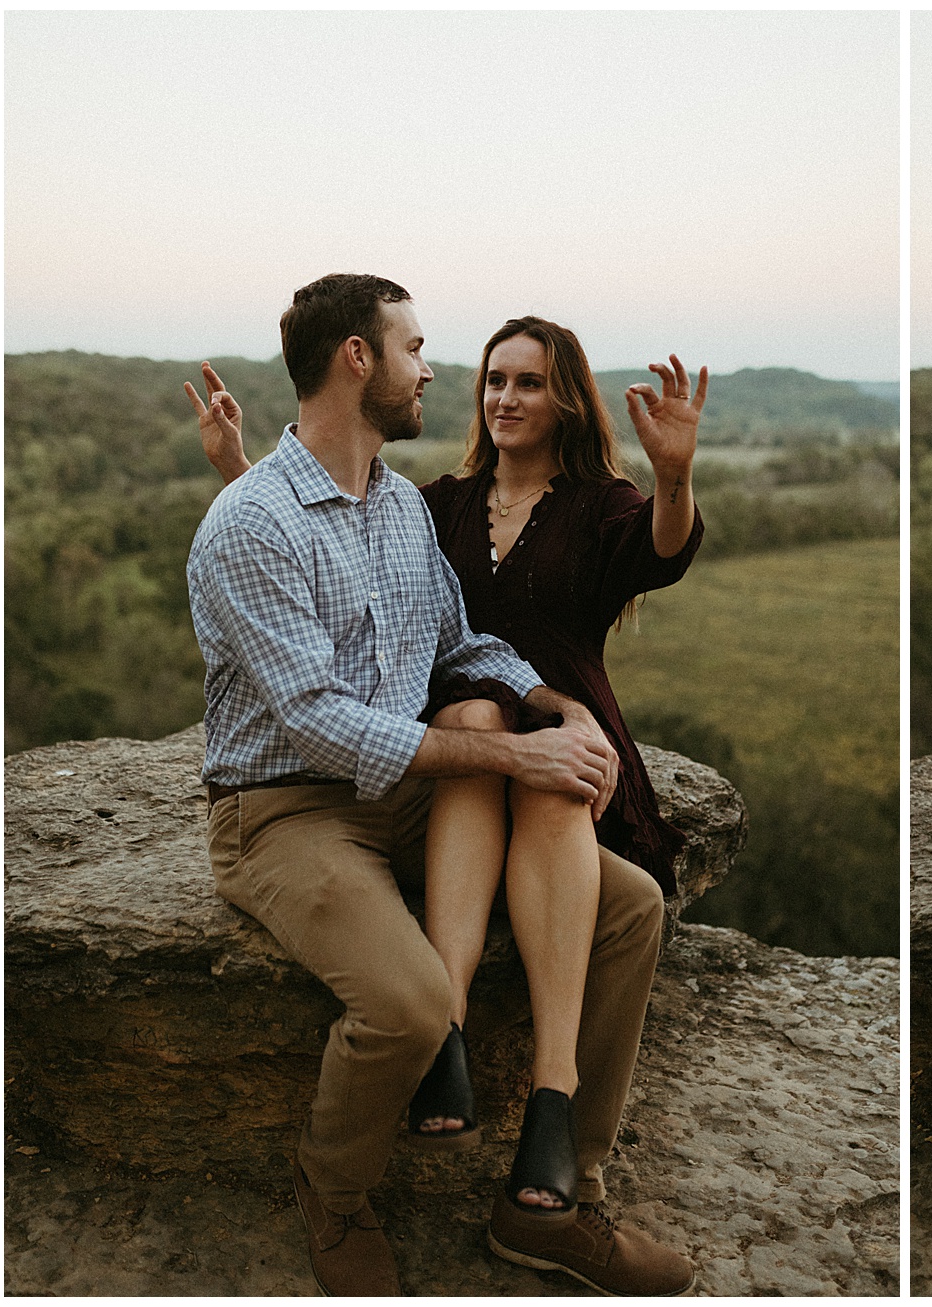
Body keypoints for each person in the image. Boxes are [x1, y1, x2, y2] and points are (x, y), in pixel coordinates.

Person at [186, 274, 695, 1296]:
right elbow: (315, 718)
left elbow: (464, 642)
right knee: (411, 1004)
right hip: (284, 806)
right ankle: (332, 1196)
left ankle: (558, 1193)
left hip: (406, 793)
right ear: (358, 360)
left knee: (631, 904)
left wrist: (556, 707)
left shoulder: (395, 512)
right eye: (415, 348)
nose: (434, 371)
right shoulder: (253, 521)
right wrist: (514, 752)